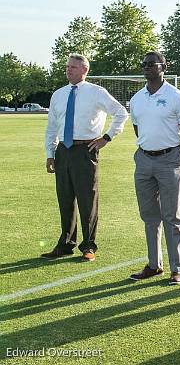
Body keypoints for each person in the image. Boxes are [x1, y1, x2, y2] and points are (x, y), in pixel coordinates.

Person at [42, 53, 128, 262]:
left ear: (85, 70)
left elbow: (121, 113)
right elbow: (52, 127)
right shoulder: (59, 95)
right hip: (63, 151)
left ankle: (88, 246)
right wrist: (50, 154)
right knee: (65, 199)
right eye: (67, 66)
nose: (68, 69)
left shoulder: (97, 92)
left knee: (87, 199)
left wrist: (106, 137)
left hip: (85, 151)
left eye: (73, 67)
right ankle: (66, 244)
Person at [128, 52, 180, 285]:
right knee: (149, 216)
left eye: (151, 64)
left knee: (172, 216)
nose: (146, 67)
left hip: (170, 160)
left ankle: (177, 268)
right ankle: (153, 265)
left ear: (163, 67)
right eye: (144, 64)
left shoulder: (176, 97)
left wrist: (177, 156)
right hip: (144, 160)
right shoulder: (137, 99)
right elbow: (139, 130)